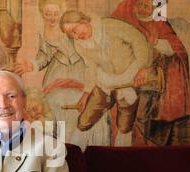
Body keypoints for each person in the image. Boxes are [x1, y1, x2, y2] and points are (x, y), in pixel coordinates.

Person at [15, 0, 109, 151]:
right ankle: (58, 149)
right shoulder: (43, 31)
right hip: (57, 72)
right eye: (47, 14)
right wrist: (33, 65)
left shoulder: (72, 26)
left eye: (55, 14)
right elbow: (44, 55)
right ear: (42, 15)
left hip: (81, 70)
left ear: (62, 12)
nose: (52, 18)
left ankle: (81, 147)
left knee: (83, 104)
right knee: (54, 104)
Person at [60, 10, 151, 146]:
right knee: (85, 119)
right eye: (71, 34)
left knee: (125, 124)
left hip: (129, 78)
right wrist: (86, 94)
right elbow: (90, 68)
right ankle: (74, 153)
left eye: (75, 30)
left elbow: (139, 40)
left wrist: (143, 67)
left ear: (84, 22)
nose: (76, 36)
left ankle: (120, 158)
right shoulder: (80, 44)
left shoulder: (110, 26)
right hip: (105, 81)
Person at [111, 0, 190, 146]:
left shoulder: (159, 21)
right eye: (140, 4)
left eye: (146, 6)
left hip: (149, 80)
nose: (141, 8)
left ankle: (140, 146)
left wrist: (156, 46)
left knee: (140, 117)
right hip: (121, 73)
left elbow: (174, 47)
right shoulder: (125, 10)